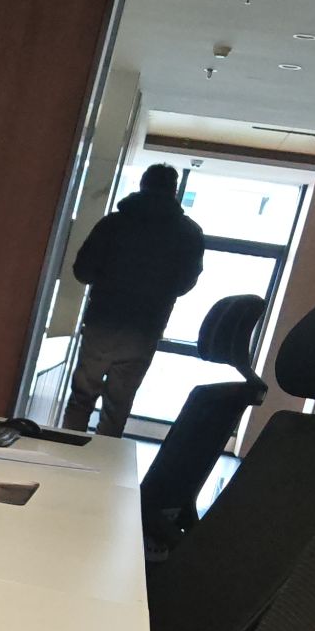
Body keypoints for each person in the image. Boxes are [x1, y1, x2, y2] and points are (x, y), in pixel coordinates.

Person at [62, 164, 205, 436]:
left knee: (82, 396)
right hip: (145, 329)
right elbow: (185, 283)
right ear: (174, 190)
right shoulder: (189, 234)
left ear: (142, 184)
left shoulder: (112, 224)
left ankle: (66, 450)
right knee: (118, 405)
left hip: (102, 322)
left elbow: (82, 271)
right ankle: (102, 458)